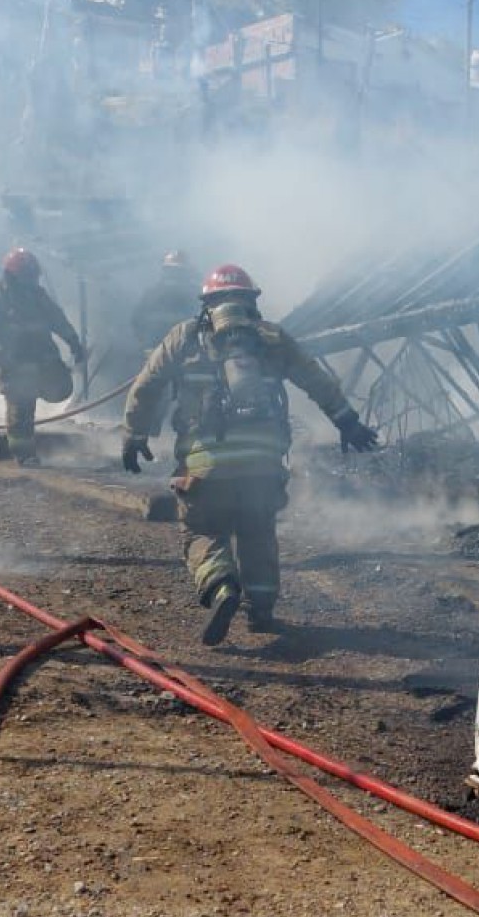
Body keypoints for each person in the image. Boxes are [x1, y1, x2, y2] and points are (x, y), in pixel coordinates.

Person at [120, 263, 379, 645]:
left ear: (207, 302)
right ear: (251, 301)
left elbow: (147, 385)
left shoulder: (185, 337)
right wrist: (347, 421)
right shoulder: (273, 339)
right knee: (257, 531)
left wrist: (135, 434)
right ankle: (261, 609)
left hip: (205, 465)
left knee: (203, 530)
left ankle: (222, 586)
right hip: (263, 464)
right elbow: (316, 380)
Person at [0, 246, 84, 467]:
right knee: (21, 410)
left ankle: (36, 398)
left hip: (44, 358)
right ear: (13, 276)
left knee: (61, 389)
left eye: (33, 275)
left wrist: (73, 340)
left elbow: (57, 319)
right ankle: (24, 455)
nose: (32, 280)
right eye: (27, 275)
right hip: (15, 363)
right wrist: (0, 355)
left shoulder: (38, 296)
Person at [130, 251, 199, 351]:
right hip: (155, 349)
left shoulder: (195, 294)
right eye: (171, 271)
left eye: (177, 271)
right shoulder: (151, 294)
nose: (174, 274)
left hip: (186, 351)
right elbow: (137, 320)